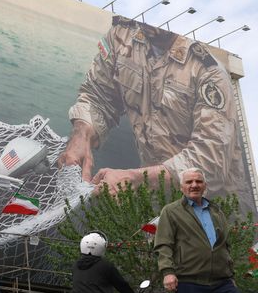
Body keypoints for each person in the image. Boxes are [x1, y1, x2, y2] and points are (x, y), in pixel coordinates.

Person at [59, 15, 248, 205]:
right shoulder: (121, 36)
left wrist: (133, 179)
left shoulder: (208, 70)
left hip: (217, 209)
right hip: (157, 201)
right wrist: (81, 135)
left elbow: (210, 162)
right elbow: (97, 95)